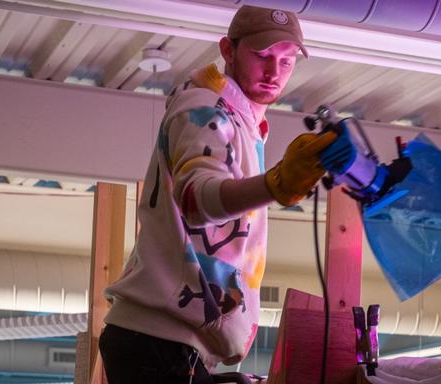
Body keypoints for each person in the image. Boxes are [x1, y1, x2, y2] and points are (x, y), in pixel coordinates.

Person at [99, 5, 347, 383]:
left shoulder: (244, 123)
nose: (273, 71)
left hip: (171, 341)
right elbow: (197, 198)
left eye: (286, 61)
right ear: (228, 50)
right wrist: (276, 184)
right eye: (262, 55)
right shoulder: (204, 108)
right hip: (160, 338)